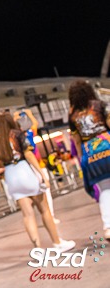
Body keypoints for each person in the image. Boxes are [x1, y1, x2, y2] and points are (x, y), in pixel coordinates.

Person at [0, 112, 75, 252]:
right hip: (25, 172)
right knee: (44, 209)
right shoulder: (17, 134)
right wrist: (42, 175)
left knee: (27, 215)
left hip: (11, 176)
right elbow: (29, 154)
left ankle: (37, 250)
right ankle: (57, 243)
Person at [68, 80, 110, 239]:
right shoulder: (100, 106)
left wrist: (82, 159)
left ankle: (108, 227)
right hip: (107, 146)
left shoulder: (73, 116)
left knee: (105, 189)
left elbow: (77, 141)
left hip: (91, 154)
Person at [13, 109, 60, 224]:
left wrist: (15, 118)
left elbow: (33, 125)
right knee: (44, 193)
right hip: (36, 166)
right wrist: (29, 114)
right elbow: (35, 124)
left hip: (29, 168)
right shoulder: (27, 135)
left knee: (37, 194)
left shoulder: (17, 137)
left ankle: (45, 217)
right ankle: (49, 216)